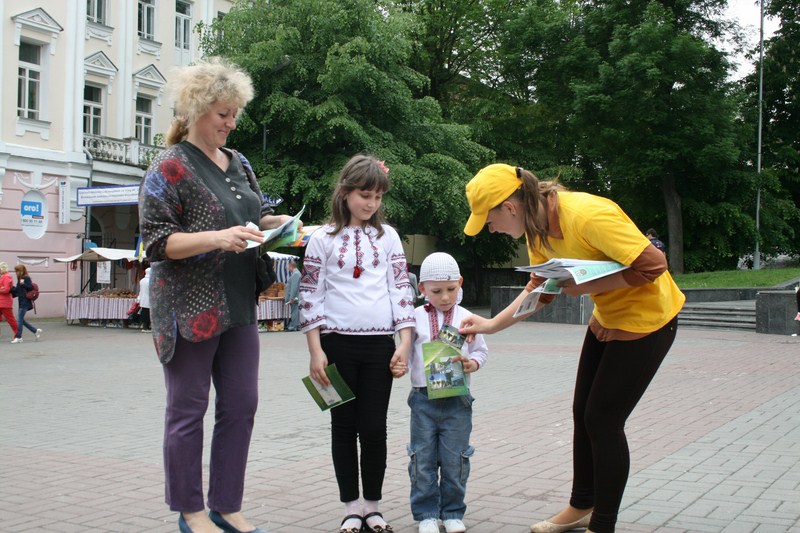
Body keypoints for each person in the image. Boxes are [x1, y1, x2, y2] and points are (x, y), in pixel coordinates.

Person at [459, 164, 685, 533]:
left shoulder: (587, 215)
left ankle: (603, 524)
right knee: (583, 413)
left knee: (603, 420)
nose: (490, 228)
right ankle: (582, 506)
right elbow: (540, 290)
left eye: (489, 219)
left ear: (510, 207)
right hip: (607, 319)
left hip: (648, 322)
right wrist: (490, 325)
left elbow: (654, 265)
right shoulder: (537, 229)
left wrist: (589, 286)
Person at [139, 57, 299, 533]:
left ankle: (226, 507)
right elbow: (156, 244)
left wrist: (281, 224)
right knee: (188, 411)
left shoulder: (239, 162)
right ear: (195, 111)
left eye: (235, 114)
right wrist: (216, 237)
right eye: (223, 114)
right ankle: (190, 512)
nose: (231, 123)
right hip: (190, 309)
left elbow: (252, 216)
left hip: (239, 302)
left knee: (241, 406)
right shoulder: (168, 166)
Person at [300, 154, 415, 533]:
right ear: (345, 192)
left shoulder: (389, 237)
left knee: (374, 428)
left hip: (380, 346)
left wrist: (404, 343)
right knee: (343, 427)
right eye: (365, 195)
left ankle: (373, 506)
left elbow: (401, 289)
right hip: (335, 346)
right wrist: (315, 351)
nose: (371, 204)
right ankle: (351, 507)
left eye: (378, 197)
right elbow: (311, 295)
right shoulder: (321, 239)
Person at [407, 252, 488, 533]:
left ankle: (453, 512)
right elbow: (405, 352)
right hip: (422, 399)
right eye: (436, 291)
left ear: (460, 283)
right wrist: (398, 364)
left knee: (456, 459)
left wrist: (472, 363)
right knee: (422, 459)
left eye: (451, 289)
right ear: (422, 288)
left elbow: (481, 351)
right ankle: (426, 514)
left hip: (457, 400)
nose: (444, 297)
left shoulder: (468, 318)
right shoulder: (414, 318)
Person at [10, 265, 42, 344]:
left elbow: (30, 287)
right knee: (21, 320)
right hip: (21, 301)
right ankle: (35, 331)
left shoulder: (26, 278)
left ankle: (19, 337)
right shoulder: (20, 279)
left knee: (19, 320)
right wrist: (10, 288)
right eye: (15, 271)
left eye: (17, 271)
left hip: (25, 301)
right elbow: (17, 290)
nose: (16, 273)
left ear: (21, 271)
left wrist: (23, 284)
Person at [0, 262, 19, 340]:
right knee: (10, 319)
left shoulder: (7, 277)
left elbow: (6, 290)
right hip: (1, 301)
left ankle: (18, 335)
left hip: (5, 302)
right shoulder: (2, 276)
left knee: (11, 320)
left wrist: (1, 288)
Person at [283, 259, 300, 331]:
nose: (287, 268)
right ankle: (297, 325)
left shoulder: (295, 274)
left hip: (294, 297)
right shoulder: (296, 273)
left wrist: (291, 297)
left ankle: (294, 326)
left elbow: (294, 287)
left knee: (294, 311)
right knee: (295, 311)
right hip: (296, 296)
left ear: (291, 266)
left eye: (288, 267)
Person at [137, 267, 152, 333]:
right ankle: (147, 327)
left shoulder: (142, 280)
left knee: (144, 313)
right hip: (149, 299)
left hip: (143, 299)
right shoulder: (151, 281)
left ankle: (145, 326)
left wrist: (139, 298)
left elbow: (140, 290)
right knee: (148, 314)